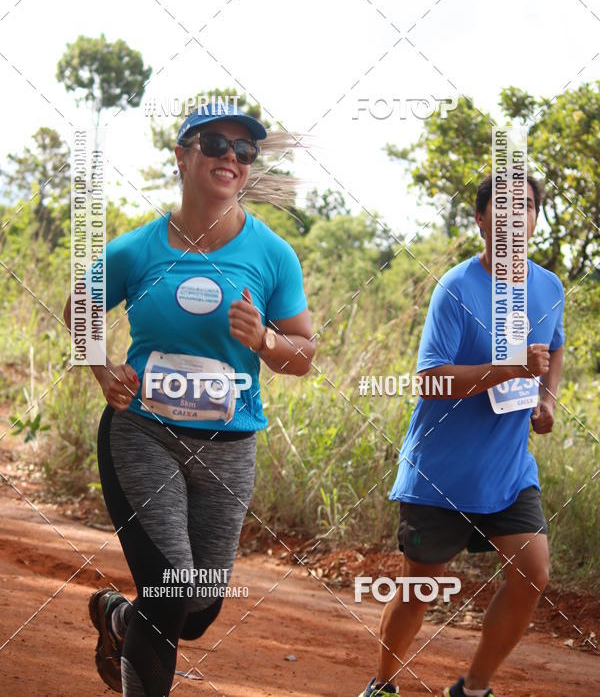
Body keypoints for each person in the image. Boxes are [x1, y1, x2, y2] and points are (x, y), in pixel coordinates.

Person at [63, 103, 315, 695]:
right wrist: (103, 371)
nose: (231, 157)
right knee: (171, 588)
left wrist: (265, 339)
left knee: (197, 611)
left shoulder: (272, 255)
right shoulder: (138, 249)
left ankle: (118, 619)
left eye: (243, 150)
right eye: (215, 144)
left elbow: (303, 354)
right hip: (142, 433)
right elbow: (80, 308)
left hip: (229, 448)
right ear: (182, 156)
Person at [359, 175, 565, 697]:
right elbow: (429, 379)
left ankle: (473, 688)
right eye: (503, 207)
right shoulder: (455, 288)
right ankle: (383, 684)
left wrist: (546, 399)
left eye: (527, 207)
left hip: (508, 471)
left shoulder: (549, 288)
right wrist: (508, 369)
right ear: (480, 220)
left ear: (536, 220)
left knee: (532, 573)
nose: (516, 216)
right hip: (441, 474)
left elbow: (554, 347)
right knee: (421, 587)